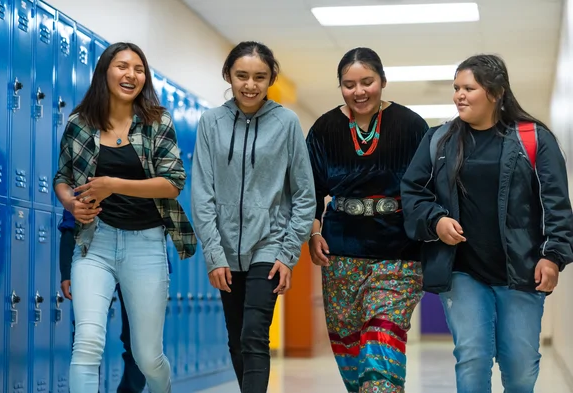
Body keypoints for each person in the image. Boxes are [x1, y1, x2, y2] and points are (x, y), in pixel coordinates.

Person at [401, 54, 573, 393]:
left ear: (495, 93)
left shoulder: (533, 138)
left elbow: (557, 204)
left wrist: (553, 256)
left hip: (521, 270)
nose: (459, 95)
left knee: (521, 367)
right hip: (462, 271)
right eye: (456, 88)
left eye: (469, 88)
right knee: (473, 356)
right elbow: (412, 192)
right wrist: (435, 221)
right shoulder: (440, 140)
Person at [53, 42, 196, 393]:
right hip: (94, 244)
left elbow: (173, 184)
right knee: (87, 343)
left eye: (139, 68)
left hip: (145, 246)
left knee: (147, 356)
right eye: (122, 66)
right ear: (105, 71)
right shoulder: (79, 123)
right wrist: (71, 203)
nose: (131, 74)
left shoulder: (156, 122)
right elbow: (62, 178)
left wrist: (113, 185)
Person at [191, 41, 316, 393]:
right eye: (241, 75)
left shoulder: (286, 123)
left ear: (271, 78)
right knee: (236, 337)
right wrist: (214, 254)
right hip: (225, 249)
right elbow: (202, 193)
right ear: (228, 76)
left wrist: (287, 253)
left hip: (269, 244)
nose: (250, 85)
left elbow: (305, 194)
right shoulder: (211, 122)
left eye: (260, 77)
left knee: (254, 334)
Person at [306, 47, 429, 393]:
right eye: (348, 84)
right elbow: (309, 189)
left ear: (383, 81)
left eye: (367, 82)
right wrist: (314, 231)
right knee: (351, 353)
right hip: (341, 252)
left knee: (381, 344)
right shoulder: (324, 129)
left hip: (399, 251)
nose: (358, 91)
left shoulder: (411, 126)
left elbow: (428, 187)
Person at [58, 209, 147, 393]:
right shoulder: (88, 183)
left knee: (139, 338)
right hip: (94, 255)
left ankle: (130, 390)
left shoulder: (145, 182)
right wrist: (66, 271)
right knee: (87, 335)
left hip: (140, 258)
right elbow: (71, 224)